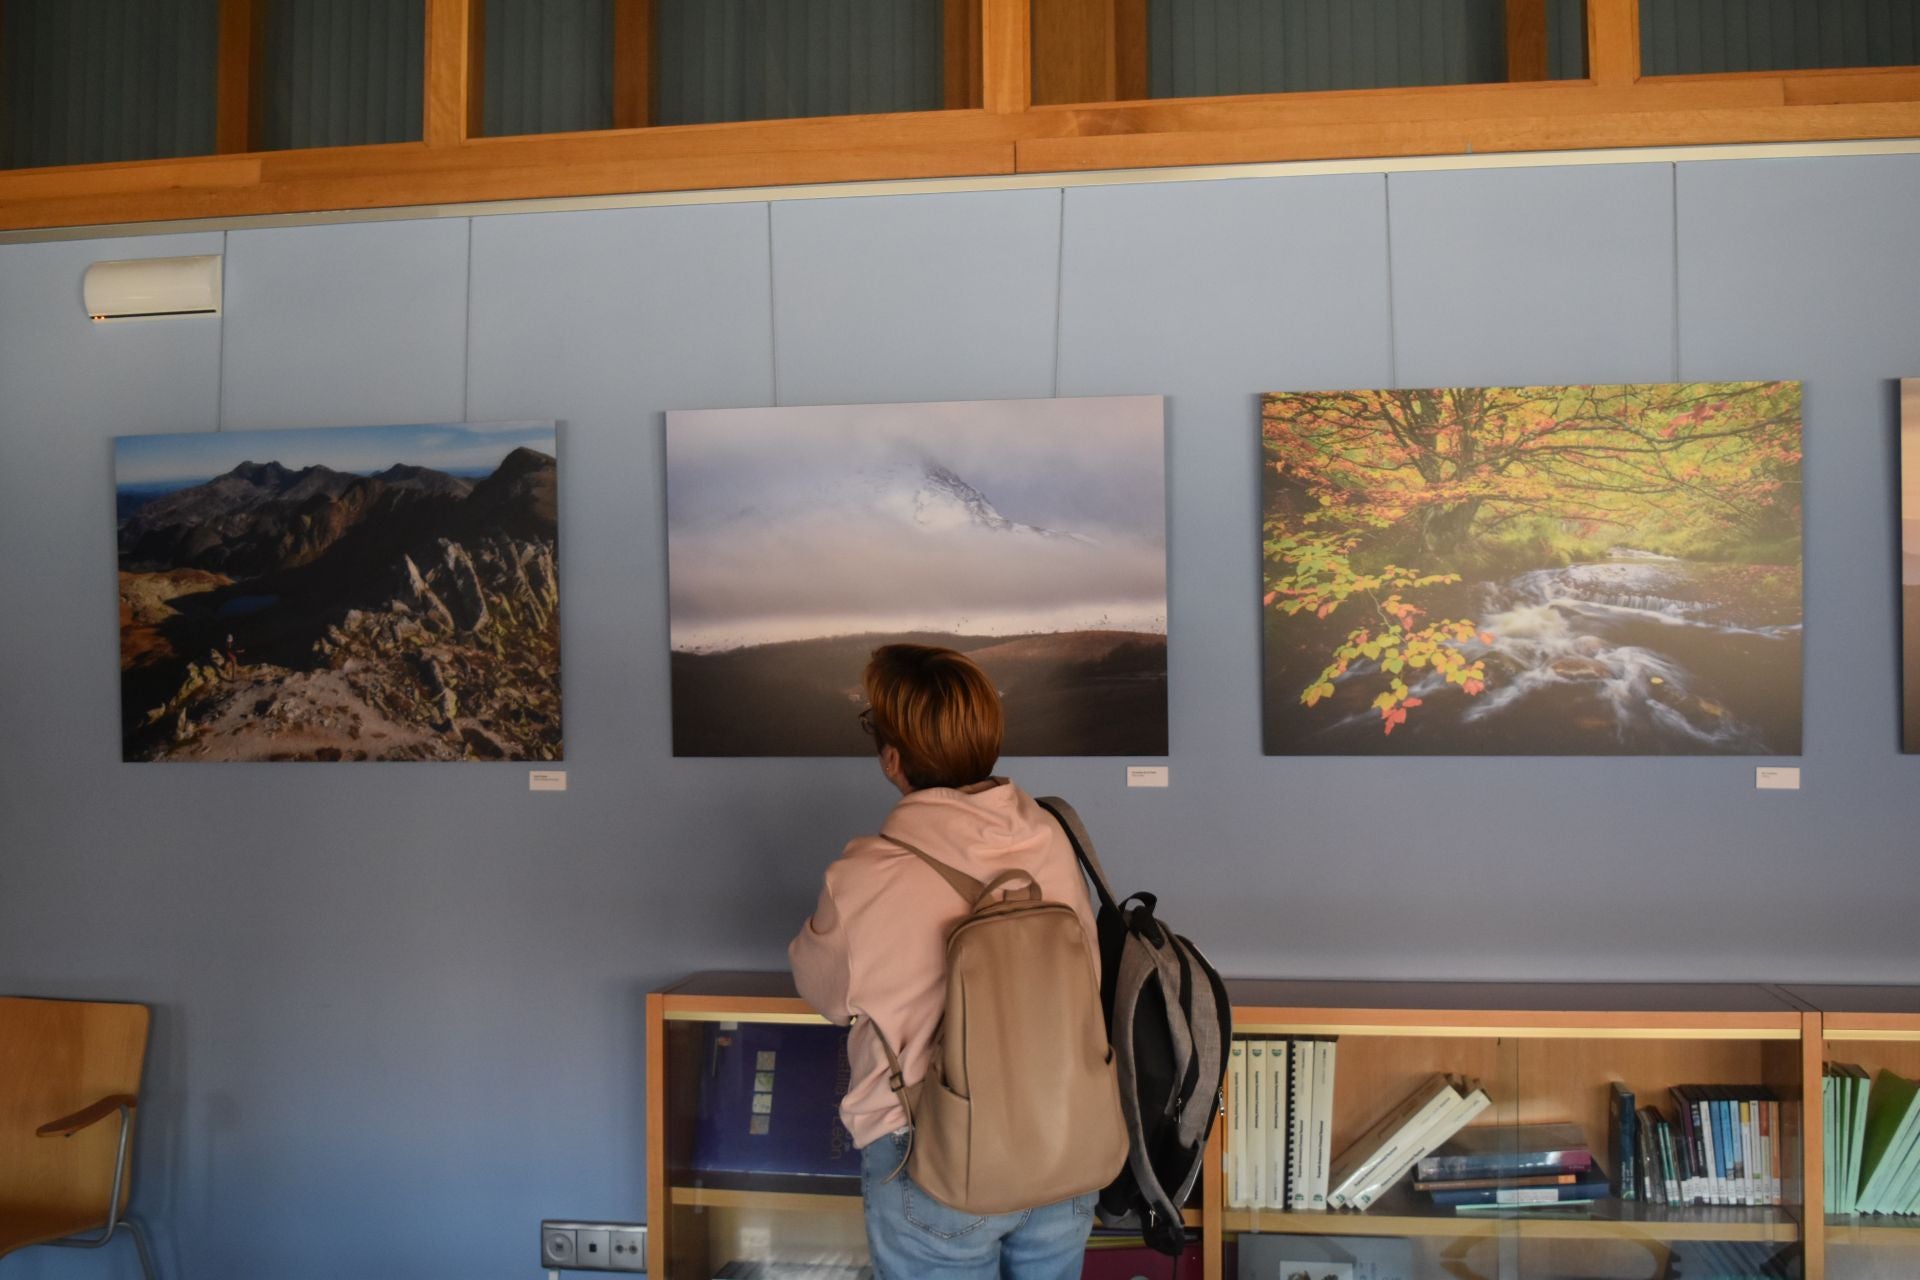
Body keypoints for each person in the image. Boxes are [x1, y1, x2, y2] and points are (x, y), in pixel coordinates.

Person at [790, 643, 1104, 1280]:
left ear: (892, 757)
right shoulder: (1054, 837)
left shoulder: (863, 875)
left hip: (932, 1151)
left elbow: (823, 992)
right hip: (1066, 1134)